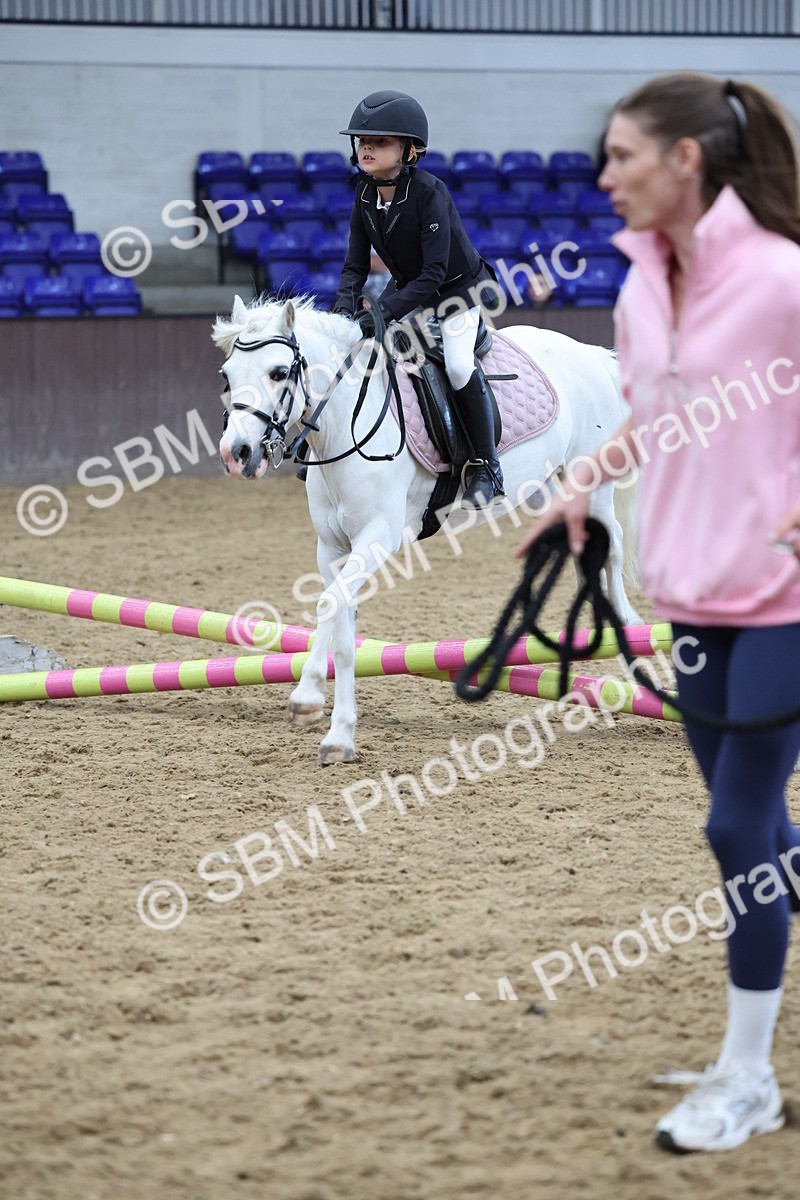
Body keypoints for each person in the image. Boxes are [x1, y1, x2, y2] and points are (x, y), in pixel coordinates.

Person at [517, 71, 800, 1153]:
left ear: (684, 161)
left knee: (733, 829)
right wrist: (582, 478)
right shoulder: (641, 287)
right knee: (761, 836)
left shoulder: (778, 279)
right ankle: (748, 1033)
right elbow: (653, 413)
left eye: (621, 156)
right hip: (686, 595)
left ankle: (743, 1078)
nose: (603, 177)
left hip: (780, 599)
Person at [333, 89, 504, 508]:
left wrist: (384, 311)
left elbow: (433, 274)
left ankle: (486, 465)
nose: (367, 147)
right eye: (362, 141)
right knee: (358, 350)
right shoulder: (363, 194)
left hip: (457, 292)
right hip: (412, 288)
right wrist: (343, 309)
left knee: (461, 366)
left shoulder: (430, 193)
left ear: (410, 151)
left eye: (382, 141)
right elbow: (355, 266)